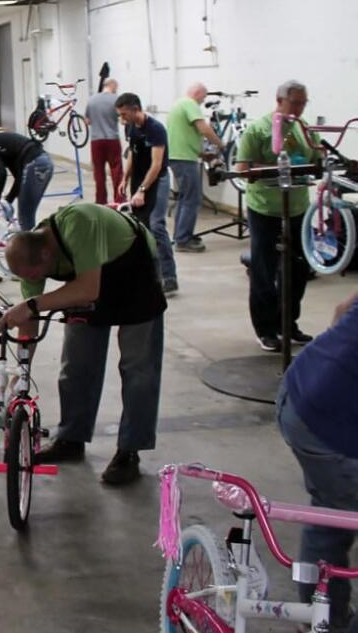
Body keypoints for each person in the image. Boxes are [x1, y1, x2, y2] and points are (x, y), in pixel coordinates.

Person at [0, 203, 166, 486]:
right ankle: (71, 439)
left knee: (138, 370)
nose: (33, 282)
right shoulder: (32, 255)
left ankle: (129, 451)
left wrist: (31, 304)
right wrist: (20, 370)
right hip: (88, 281)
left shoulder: (79, 224)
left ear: (45, 254)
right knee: (77, 365)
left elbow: (88, 289)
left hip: (133, 273)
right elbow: (31, 317)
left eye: (34, 275)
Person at [277, 292, 358, 632]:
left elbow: (342, 309)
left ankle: (322, 619)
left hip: (301, 387)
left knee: (331, 515)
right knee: (335, 511)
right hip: (327, 426)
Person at [236, 80, 321, 353]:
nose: (299, 108)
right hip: (265, 208)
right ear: (279, 100)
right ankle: (266, 329)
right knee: (264, 270)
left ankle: (288, 324)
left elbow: (316, 156)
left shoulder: (303, 127)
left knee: (298, 270)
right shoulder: (258, 130)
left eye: (303, 102)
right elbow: (242, 167)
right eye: (295, 102)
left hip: (297, 206)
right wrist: (274, 168)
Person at [116, 93, 177, 296]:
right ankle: (148, 275)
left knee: (157, 225)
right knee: (140, 227)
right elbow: (132, 151)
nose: (122, 119)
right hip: (140, 180)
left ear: (135, 109)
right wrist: (125, 177)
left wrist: (142, 190)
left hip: (157, 180)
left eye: (124, 114)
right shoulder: (130, 127)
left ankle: (169, 277)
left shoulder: (156, 129)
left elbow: (157, 164)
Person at [166, 83, 224, 253]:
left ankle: (181, 236)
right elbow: (204, 128)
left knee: (186, 198)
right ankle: (183, 240)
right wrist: (220, 144)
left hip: (180, 157)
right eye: (204, 97)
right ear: (198, 93)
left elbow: (183, 136)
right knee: (192, 199)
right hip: (184, 159)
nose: (203, 101)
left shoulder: (179, 104)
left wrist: (202, 153)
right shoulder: (190, 104)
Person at [0, 131, 54, 231]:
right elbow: (19, 179)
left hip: (34, 164)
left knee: (25, 216)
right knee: (27, 213)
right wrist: (7, 201)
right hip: (45, 162)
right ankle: (34, 241)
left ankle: (32, 244)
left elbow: (1, 173)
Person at [85, 78, 123, 204]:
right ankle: (119, 199)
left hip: (96, 141)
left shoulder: (92, 100)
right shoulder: (116, 99)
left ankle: (101, 200)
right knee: (116, 170)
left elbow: (88, 121)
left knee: (99, 172)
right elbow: (123, 118)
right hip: (112, 139)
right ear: (112, 85)